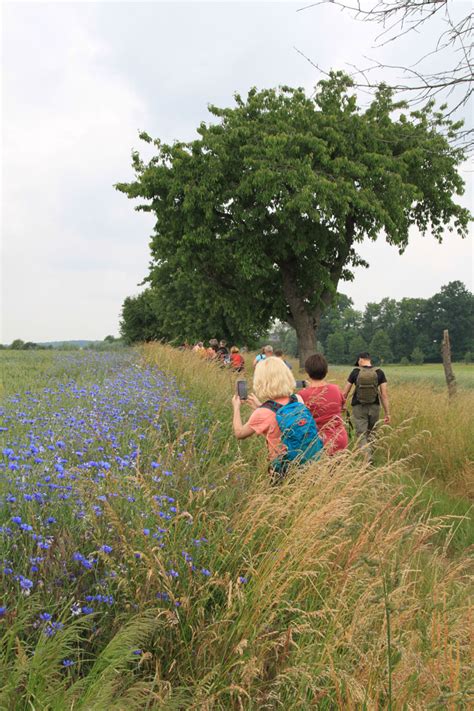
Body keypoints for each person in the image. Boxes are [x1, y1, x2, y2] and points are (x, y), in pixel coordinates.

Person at [232, 356, 323, 481]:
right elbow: (281, 415)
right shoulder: (298, 399)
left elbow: (239, 433)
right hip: (305, 464)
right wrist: (260, 406)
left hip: (281, 470)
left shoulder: (262, 413)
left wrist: (236, 407)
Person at [342, 351, 391, 460]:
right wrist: (388, 413)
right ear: (369, 360)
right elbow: (384, 394)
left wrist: (342, 404)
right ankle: (370, 455)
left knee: (361, 434)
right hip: (374, 407)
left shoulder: (355, 372)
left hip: (358, 407)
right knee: (372, 433)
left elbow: (345, 392)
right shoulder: (379, 372)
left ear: (360, 359)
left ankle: (367, 458)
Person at [299, 353, 348, 454]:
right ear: (326, 371)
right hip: (340, 439)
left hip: (318, 443)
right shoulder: (336, 389)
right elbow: (343, 407)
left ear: (307, 372)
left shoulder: (302, 395)